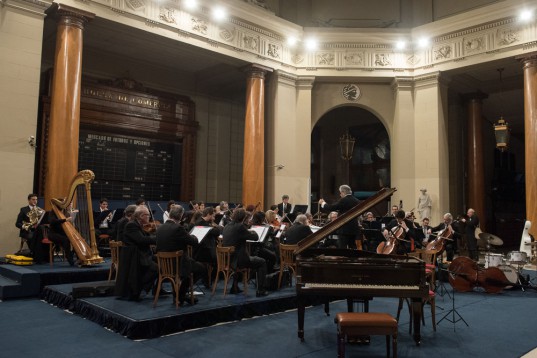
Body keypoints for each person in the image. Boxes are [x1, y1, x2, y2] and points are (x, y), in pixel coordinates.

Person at [156, 205, 206, 305]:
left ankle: (179, 295)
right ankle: (181, 294)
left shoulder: (160, 227)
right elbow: (193, 241)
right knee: (200, 268)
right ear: (181, 216)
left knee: (191, 265)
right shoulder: (178, 228)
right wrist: (194, 236)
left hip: (164, 265)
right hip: (179, 264)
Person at [222, 208, 268, 297]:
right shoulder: (240, 227)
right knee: (262, 262)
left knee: (244, 256)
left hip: (227, 259)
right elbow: (255, 237)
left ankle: (234, 287)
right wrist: (252, 231)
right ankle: (260, 290)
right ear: (243, 218)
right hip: (238, 260)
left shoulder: (227, 225)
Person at [116, 205, 157, 301]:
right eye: (148, 215)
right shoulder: (132, 225)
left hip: (138, 254)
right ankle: (140, 288)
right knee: (155, 269)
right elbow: (141, 240)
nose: (149, 217)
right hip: (134, 256)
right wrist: (156, 238)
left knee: (158, 262)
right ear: (142, 216)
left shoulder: (137, 224)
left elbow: (146, 236)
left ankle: (155, 289)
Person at [319, 184, 361, 249]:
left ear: (343, 192)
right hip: (353, 228)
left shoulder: (344, 200)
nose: (340, 194)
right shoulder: (357, 201)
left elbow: (332, 207)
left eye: (340, 192)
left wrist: (323, 203)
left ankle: (343, 259)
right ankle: (353, 259)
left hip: (344, 228)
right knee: (352, 247)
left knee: (342, 248)